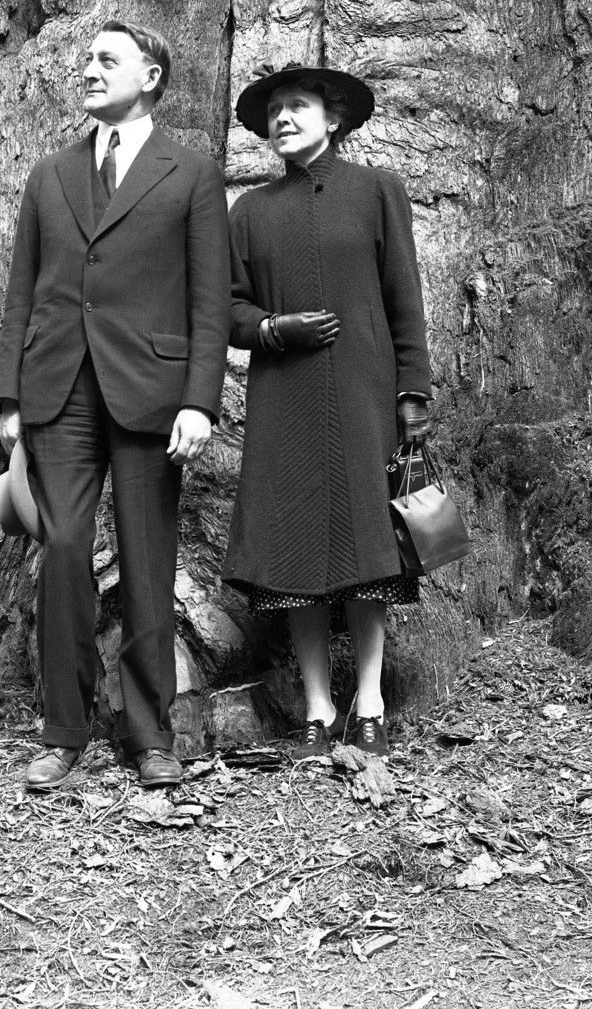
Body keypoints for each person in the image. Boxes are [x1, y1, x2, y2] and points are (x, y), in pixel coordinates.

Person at [0, 21, 230, 792]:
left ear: (151, 74)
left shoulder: (190, 173)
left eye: (106, 58)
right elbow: (20, 294)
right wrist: (8, 398)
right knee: (62, 550)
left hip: (153, 397)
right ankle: (62, 730)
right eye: (86, 59)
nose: (88, 69)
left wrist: (200, 400)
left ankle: (148, 733)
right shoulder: (49, 174)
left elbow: (208, 300)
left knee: (146, 560)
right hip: (57, 392)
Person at [220, 63, 432, 758]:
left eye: (298, 106)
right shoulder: (249, 211)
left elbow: (403, 294)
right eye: (274, 109)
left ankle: (367, 699)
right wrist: (274, 329)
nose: (283, 117)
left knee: (368, 543)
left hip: (363, 392)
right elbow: (227, 307)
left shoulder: (375, 191)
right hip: (284, 396)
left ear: (332, 117)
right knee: (293, 549)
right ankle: (317, 704)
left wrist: (412, 390)